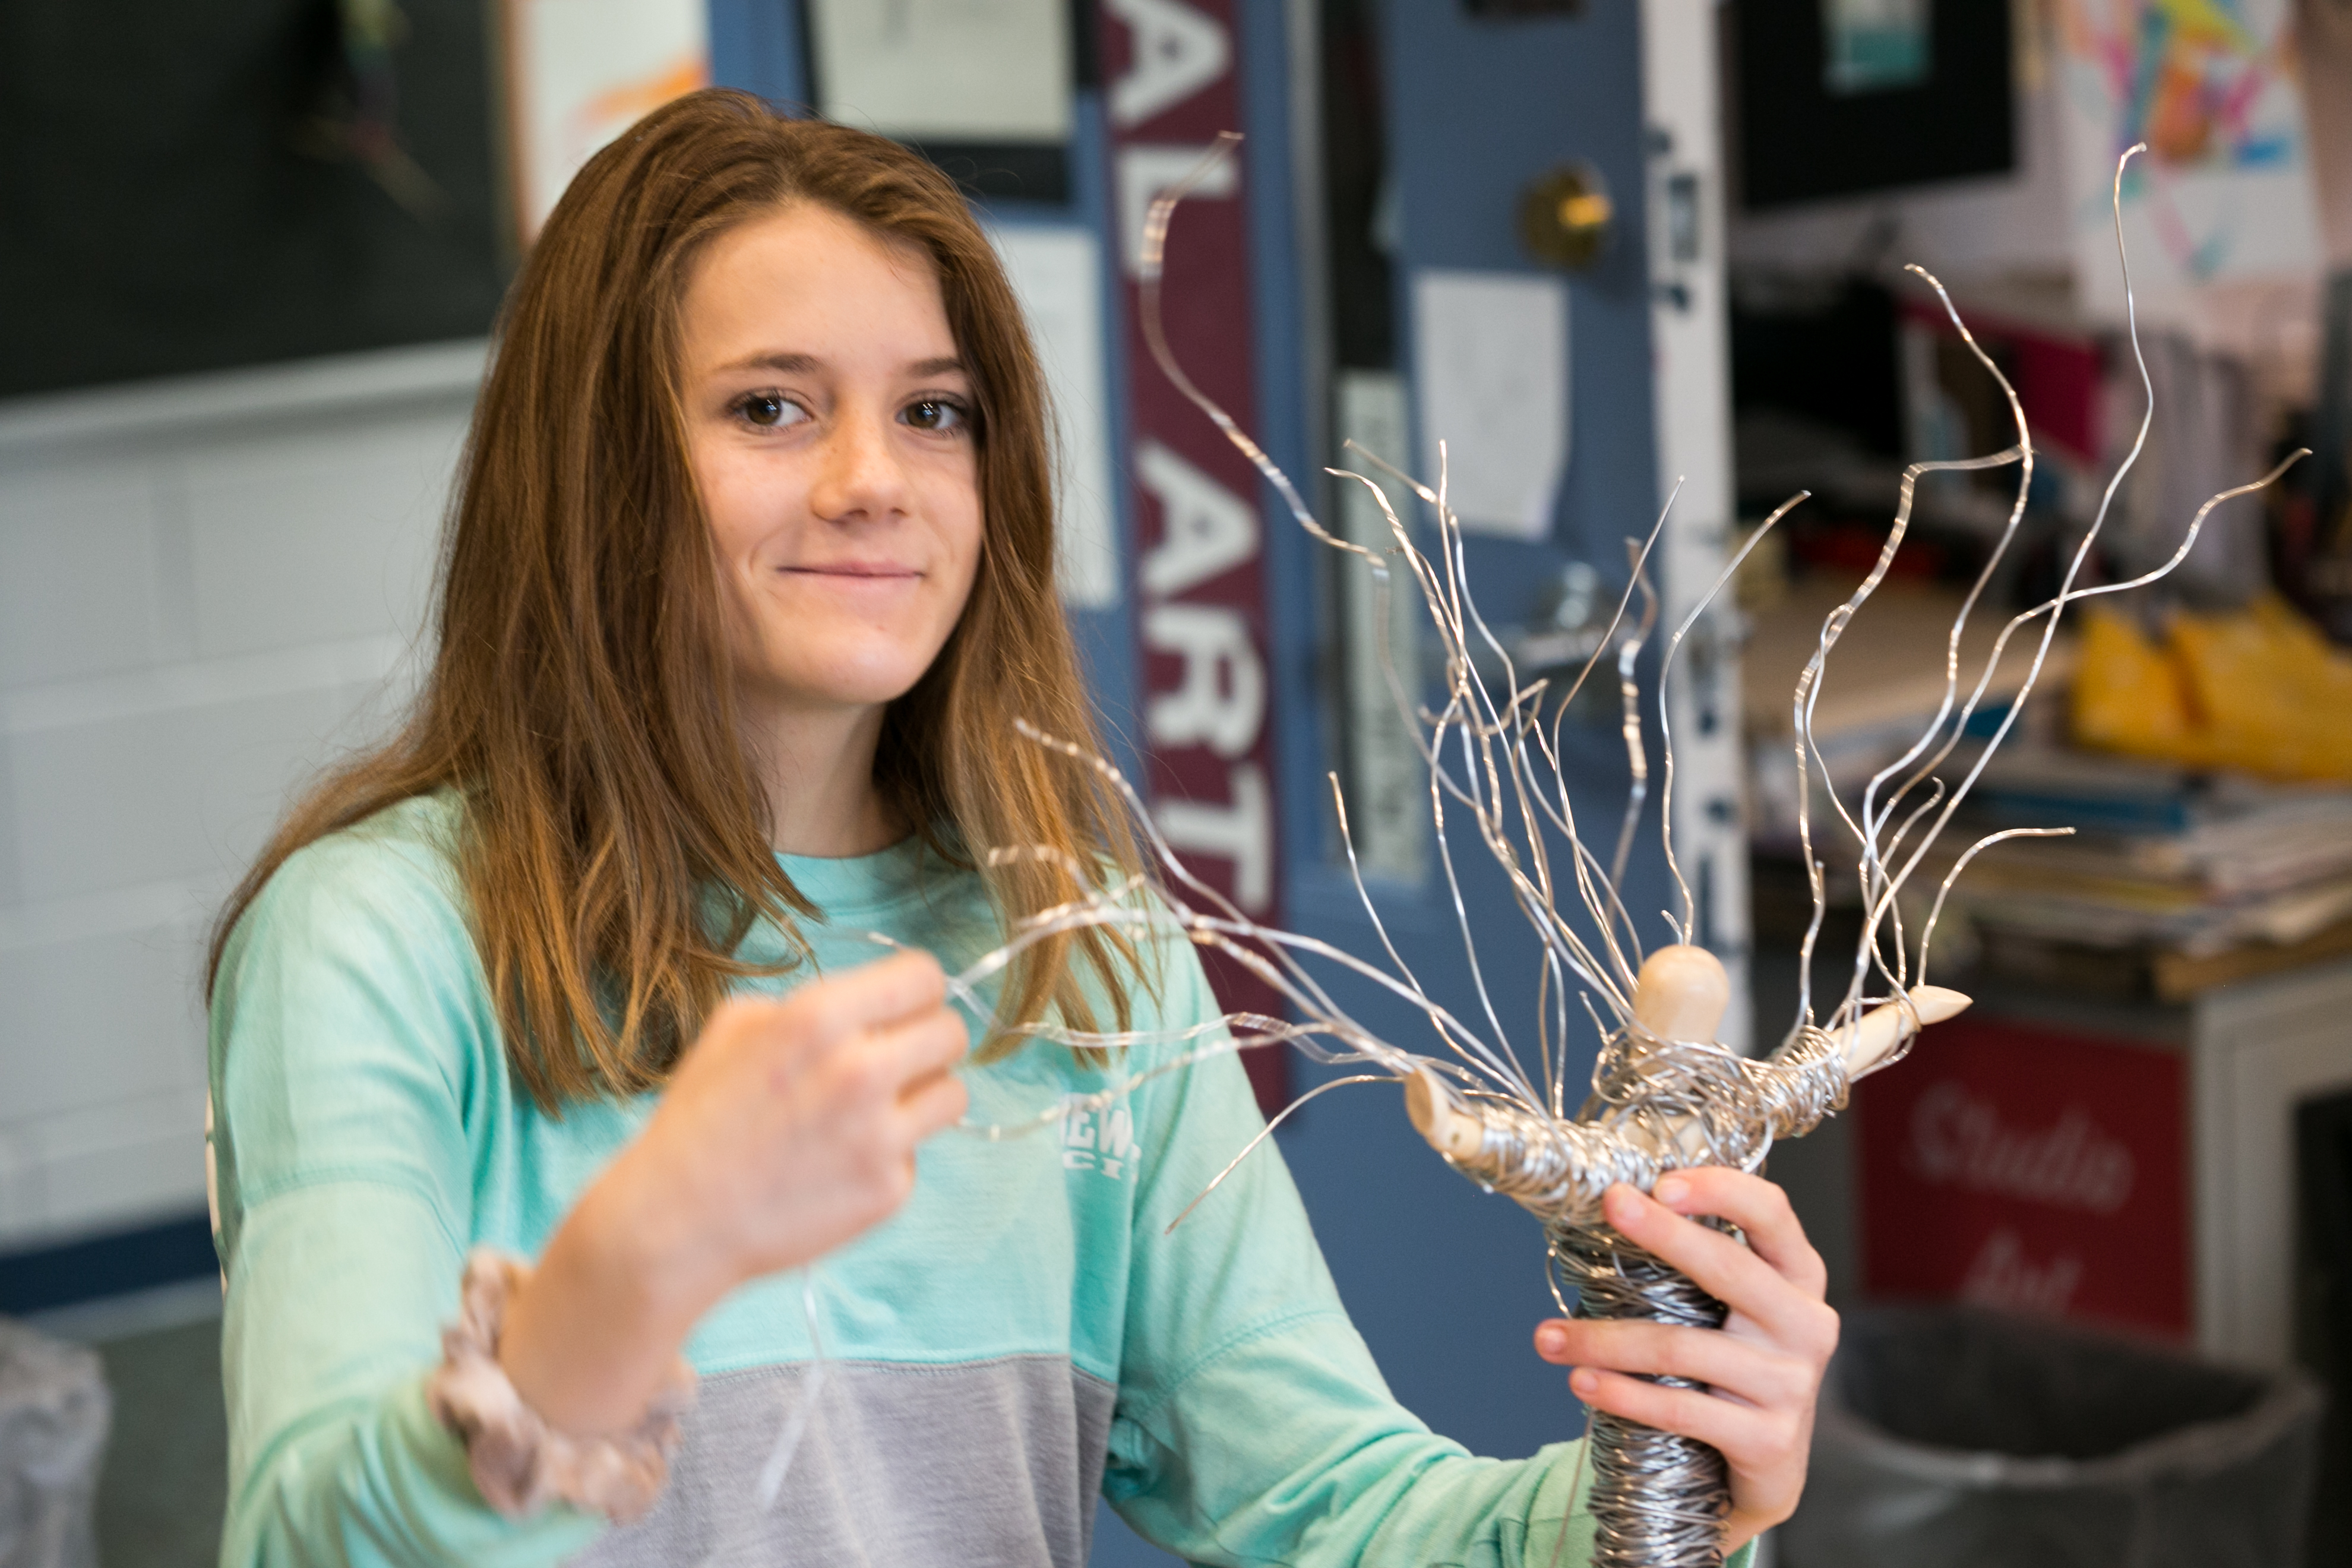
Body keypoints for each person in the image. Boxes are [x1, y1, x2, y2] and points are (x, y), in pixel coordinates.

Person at [205, 88, 1835, 1567]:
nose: (875, 480)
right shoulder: (378, 938)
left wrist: (1667, 1478)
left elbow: (1343, 1509)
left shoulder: (1083, 955)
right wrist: (633, 1268)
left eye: (935, 413)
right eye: (771, 409)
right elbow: (308, 1537)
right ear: (594, 467)